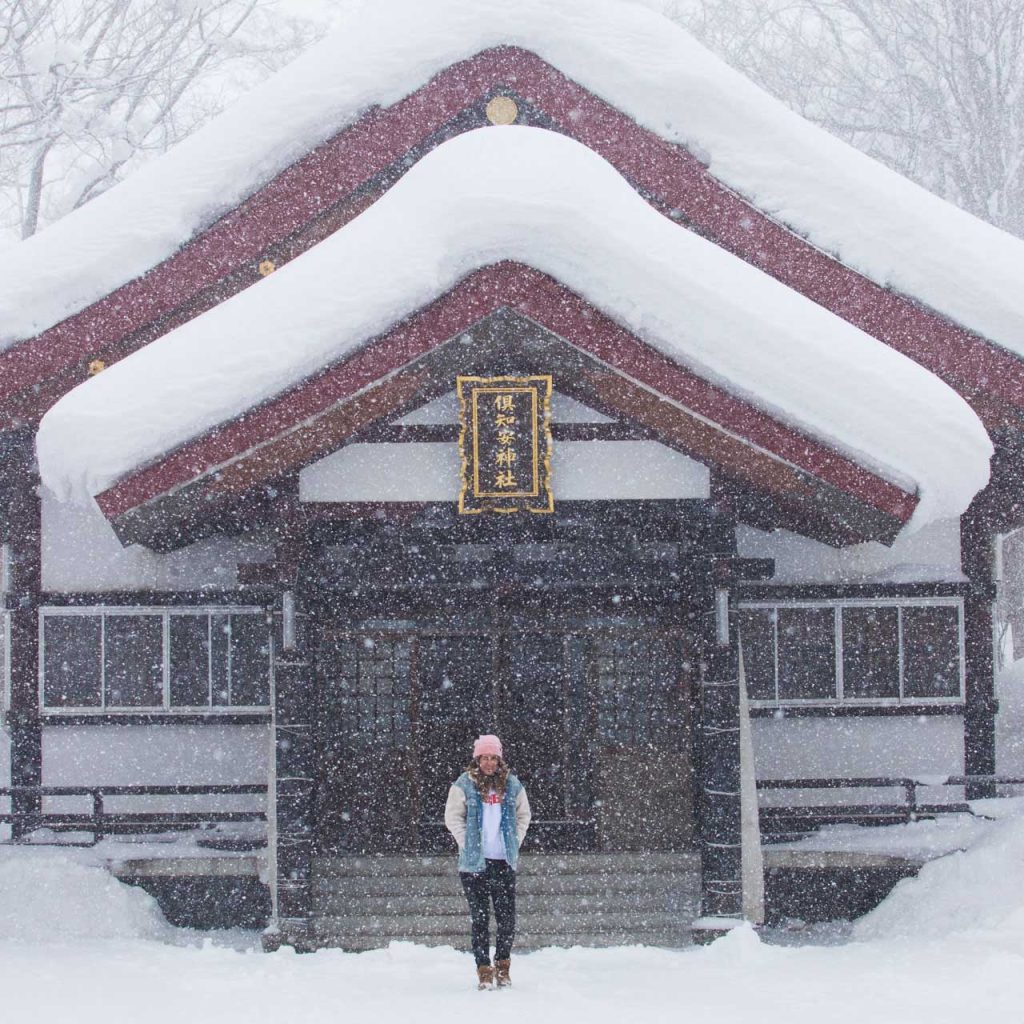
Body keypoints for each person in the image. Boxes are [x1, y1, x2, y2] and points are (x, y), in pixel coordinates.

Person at [444, 734, 531, 990]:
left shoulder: (512, 785)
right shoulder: (464, 784)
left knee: (506, 919)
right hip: (475, 865)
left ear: (500, 759)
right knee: (480, 919)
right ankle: (483, 969)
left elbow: (523, 815)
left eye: (494, 758)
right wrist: (467, 843)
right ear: (477, 758)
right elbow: (453, 817)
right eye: (485, 757)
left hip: (503, 861)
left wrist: (514, 841)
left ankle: (503, 966)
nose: (490, 763)